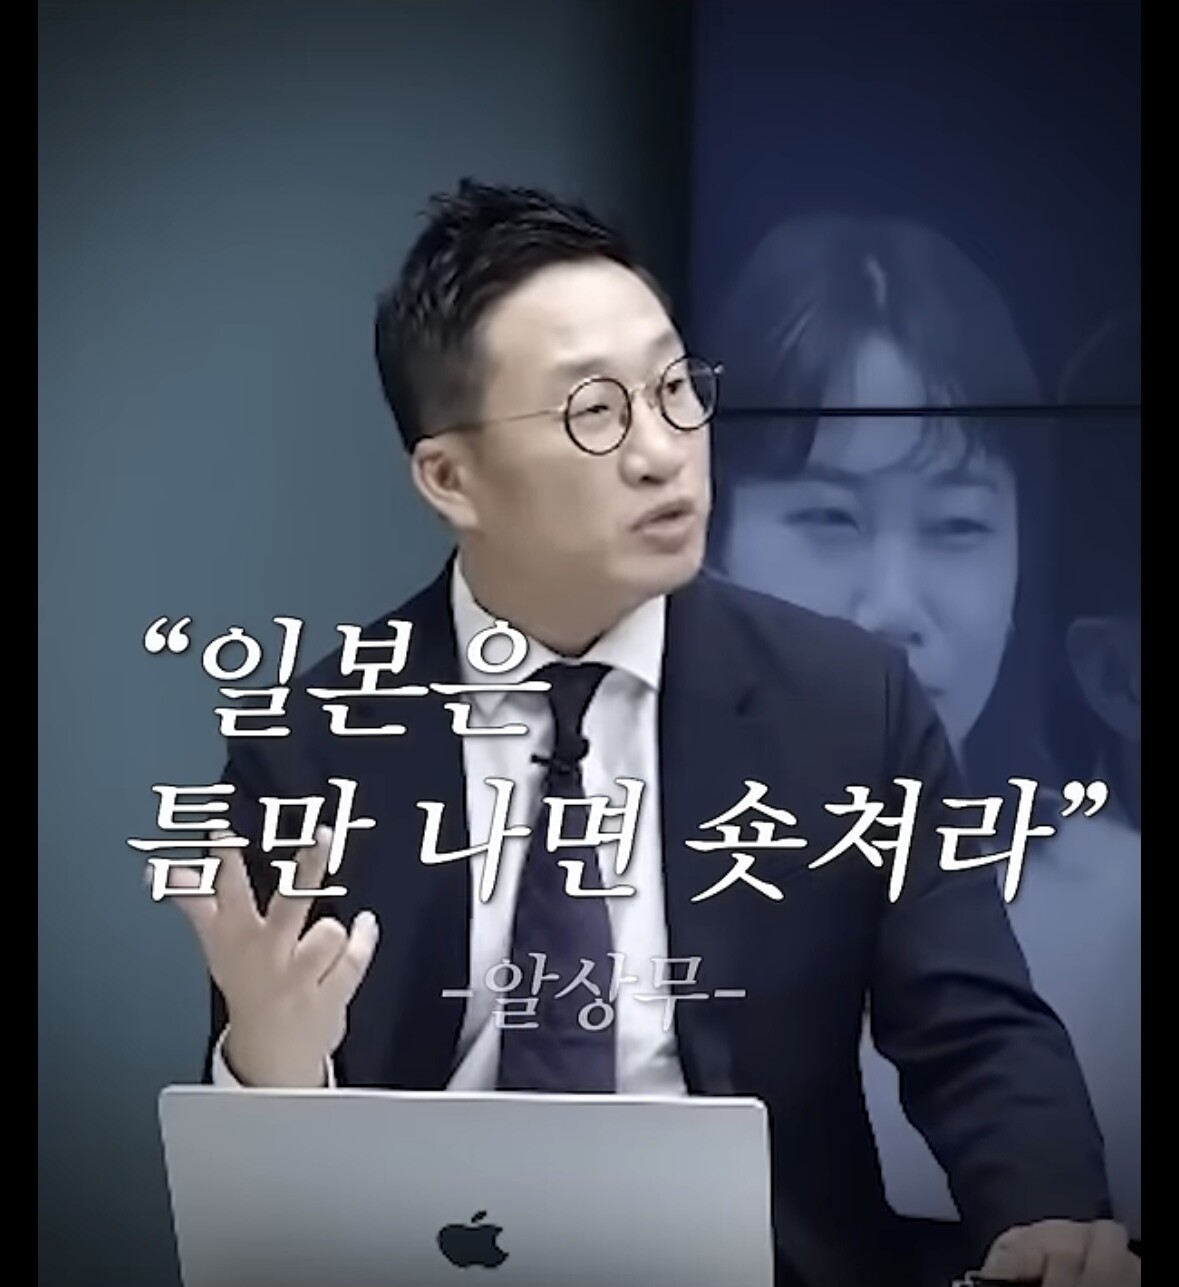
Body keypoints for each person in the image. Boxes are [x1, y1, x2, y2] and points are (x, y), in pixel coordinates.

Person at [156, 182, 1138, 1287]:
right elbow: (280, 1180)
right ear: (450, 477)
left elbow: (973, 1029)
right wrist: (271, 1065)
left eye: (674, 390)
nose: (664, 451)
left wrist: (1051, 1218)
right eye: (594, 413)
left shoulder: (848, 702)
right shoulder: (315, 741)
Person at [704, 215, 1141, 1266]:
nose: (894, 606)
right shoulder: (606, 871)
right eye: (829, 519)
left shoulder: (1124, 916)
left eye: (957, 526)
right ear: (707, 533)